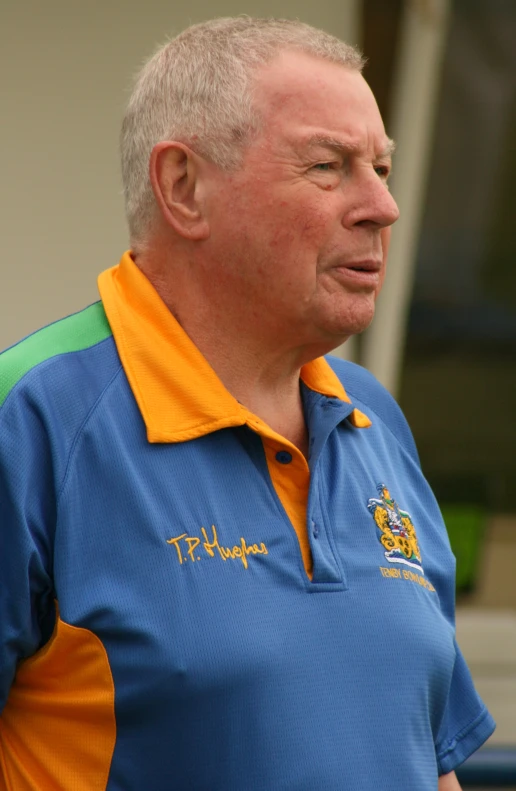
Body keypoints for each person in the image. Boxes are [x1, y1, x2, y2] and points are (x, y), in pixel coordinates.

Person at [0, 16, 494, 791]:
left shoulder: (374, 418)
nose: (382, 207)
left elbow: (427, 759)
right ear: (184, 188)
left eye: (383, 168)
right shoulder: (30, 419)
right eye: (330, 166)